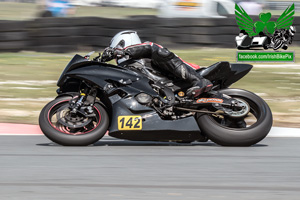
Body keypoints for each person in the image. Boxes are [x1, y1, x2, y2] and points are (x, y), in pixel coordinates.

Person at [102, 30, 213, 98]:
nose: (115, 54)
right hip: (165, 91)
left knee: (159, 51)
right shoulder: (128, 68)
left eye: (115, 48)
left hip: (191, 73)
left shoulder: (147, 48)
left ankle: (198, 81)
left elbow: (148, 48)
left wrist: (122, 52)